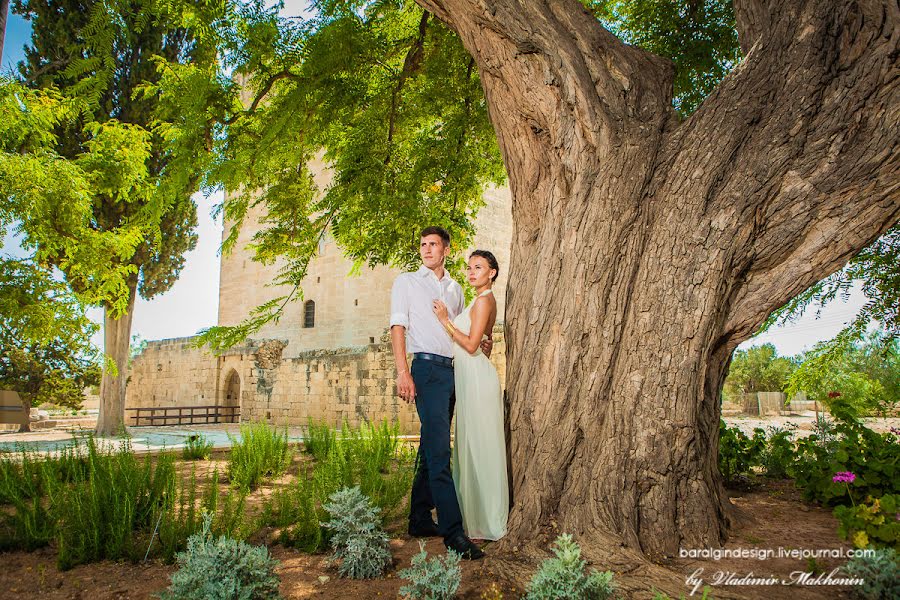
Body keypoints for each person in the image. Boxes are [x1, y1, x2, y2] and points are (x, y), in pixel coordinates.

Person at [390, 226, 487, 559]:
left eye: (433, 244)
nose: (426, 249)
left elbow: (456, 330)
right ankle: (453, 533)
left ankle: (418, 518)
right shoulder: (407, 282)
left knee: (431, 445)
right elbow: (397, 327)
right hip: (426, 371)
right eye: (422, 244)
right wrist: (404, 372)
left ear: (446, 249)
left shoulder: (456, 289)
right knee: (439, 454)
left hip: (452, 372)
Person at [432, 250, 509, 541]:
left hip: (478, 380)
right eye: (469, 268)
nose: (471, 272)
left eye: (479, 267)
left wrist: (445, 321)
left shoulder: (484, 300)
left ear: (492, 272)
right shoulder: (481, 301)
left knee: (482, 449)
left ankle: (488, 520)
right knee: (471, 447)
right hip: (471, 379)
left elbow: (473, 344)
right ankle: (473, 518)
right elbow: (485, 340)